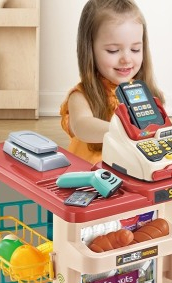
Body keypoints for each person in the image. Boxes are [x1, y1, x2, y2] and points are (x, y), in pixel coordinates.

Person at [60, 0, 164, 165]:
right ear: (89, 49)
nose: (127, 59)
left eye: (136, 49)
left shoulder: (143, 93)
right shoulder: (81, 96)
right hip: (92, 174)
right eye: (113, 50)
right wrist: (125, 131)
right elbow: (81, 125)